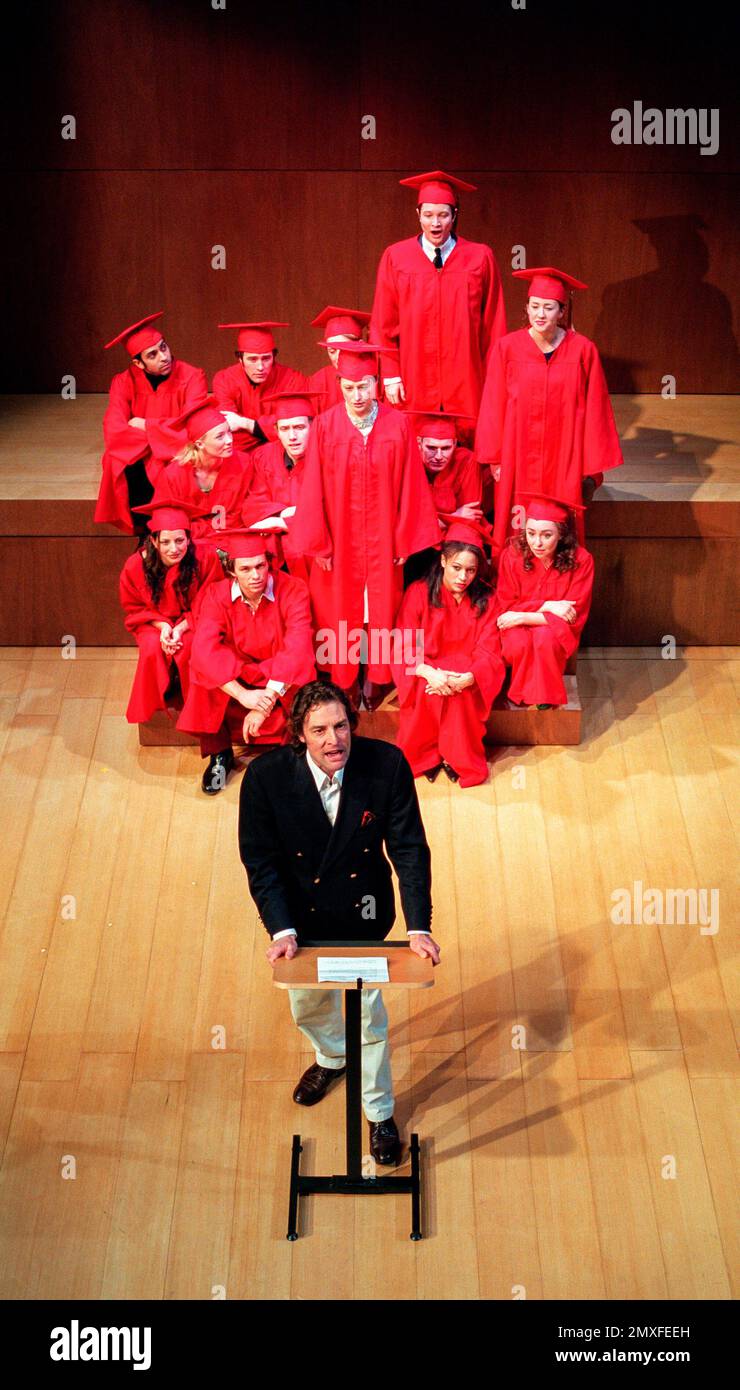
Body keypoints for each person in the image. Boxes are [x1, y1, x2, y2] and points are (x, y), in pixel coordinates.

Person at [238, 679, 440, 1165]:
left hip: (362, 912)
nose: (335, 740)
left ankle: (378, 1110)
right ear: (299, 735)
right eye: (320, 730)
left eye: (342, 726)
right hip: (300, 920)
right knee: (306, 1007)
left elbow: (409, 849)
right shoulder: (265, 779)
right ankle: (332, 1057)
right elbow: (260, 860)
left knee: (368, 1018)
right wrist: (281, 929)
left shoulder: (387, 765)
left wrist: (418, 925)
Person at [290, 343, 440, 702]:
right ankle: (346, 679)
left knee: (381, 607)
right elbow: (313, 489)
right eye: (348, 387)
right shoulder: (326, 426)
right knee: (343, 606)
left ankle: (377, 675)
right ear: (339, 384)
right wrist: (320, 543)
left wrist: (404, 541)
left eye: (364, 386)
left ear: (376, 382)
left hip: (385, 538)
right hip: (341, 540)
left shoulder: (398, 424)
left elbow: (411, 486)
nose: (356, 395)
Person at [475, 267, 623, 553]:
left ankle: (561, 589)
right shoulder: (507, 348)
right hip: (517, 453)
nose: (540, 314)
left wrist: (588, 462)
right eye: (535, 306)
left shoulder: (582, 350)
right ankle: (513, 589)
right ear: (526, 308)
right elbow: (493, 402)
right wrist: (496, 458)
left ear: (561, 311)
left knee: (561, 527)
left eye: (548, 307)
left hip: (564, 455)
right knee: (516, 526)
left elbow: (596, 407)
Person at [178, 529, 315, 794]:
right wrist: (242, 695)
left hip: (277, 672)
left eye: (261, 566)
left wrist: (264, 704)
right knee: (200, 672)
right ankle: (220, 754)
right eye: (246, 569)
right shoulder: (216, 595)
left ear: (269, 563)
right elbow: (205, 649)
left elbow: (297, 647)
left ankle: (292, 752)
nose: (255, 576)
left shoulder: (293, 589)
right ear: (232, 571)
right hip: (238, 670)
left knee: (304, 671)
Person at [370, 169, 506, 416]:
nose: (435, 223)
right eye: (428, 215)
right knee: (415, 443)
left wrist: (493, 377)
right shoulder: (396, 257)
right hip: (413, 378)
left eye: (443, 215)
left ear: (455, 215)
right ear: (418, 215)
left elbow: (493, 324)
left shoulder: (479, 257)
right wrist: (390, 374)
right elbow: (383, 322)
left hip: (467, 378)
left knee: (468, 445)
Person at [392, 518, 505, 786]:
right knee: (424, 691)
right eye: (456, 567)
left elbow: (490, 650)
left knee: (462, 698)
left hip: (466, 673)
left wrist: (468, 678)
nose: (462, 577)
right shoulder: (419, 593)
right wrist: (429, 673)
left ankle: (459, 759)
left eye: (470, 570)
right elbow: (404, 642)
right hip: (427, 670)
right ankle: (423, 757)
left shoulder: (488, 599)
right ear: (443, 560)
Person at [94, 312, 208, 535]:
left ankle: (166, 530)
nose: (163, 357)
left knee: (177, 459)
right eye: (152, 354)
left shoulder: (193, 376)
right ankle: (146, 531)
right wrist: (160, 438)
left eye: (164, 347)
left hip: (179, 451)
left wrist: (146, 425)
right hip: (148, 450)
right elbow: (114, 429)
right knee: (116, 459)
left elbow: (193, 429)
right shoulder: (123, 382)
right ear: (138, 362)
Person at [119, 498, 222, 724]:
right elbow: (134, 607)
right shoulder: (135, 566)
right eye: (165, 542)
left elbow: (211, 603)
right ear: (153, 541)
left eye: (179, 540)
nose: (173, 549)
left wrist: (182, 626)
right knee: (151, 647)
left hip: (196, 620)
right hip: (152, 622)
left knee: (190, 647)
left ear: (188, 538)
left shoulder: (205, 558)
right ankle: (157, 702)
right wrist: (163, 626)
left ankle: (194, 707)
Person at [494, 495, 594, 708]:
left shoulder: (581, 560)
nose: (537, 543)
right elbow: (505, 605)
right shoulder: (512, 555)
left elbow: (573, 612)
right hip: (521, 624)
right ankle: (525, 691)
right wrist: (548, 606)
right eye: (531, 533)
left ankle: (542, 696)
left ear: (561, 535)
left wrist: (523, 615)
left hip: (553, 629)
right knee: (518, 644)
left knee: (545, 639)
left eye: (547, 535)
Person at [243, 389, 324, 583]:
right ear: (276, 430)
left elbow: (332, 508)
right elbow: (253, 506)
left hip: (316, 549)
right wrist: (288, 514)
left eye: (299, 427)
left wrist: (281, 521)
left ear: (312, 427)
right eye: (285, 429)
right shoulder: (263, 457)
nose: (292, 436)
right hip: (276, 551)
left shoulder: (328, 457)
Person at [159, 396, 257, 543]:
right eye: (220, 436)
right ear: (199, 444)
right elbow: (169, 521)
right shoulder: (174, 475)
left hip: (235, 542)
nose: (230, 440)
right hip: (191, 545)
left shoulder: (244, 464)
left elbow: (250, 509)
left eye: (229, 432)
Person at [404, 409, 484, 584]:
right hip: (414, 548)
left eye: (446, 448)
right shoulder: (408, 462)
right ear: (419, 443)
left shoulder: (467, 462)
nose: (439, 456)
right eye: (431, 448)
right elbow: (406, 522)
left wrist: (431, 521)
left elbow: (470, 519)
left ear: (455, 444)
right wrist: (452, 517)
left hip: (450, 546)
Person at [212, 322, 308, 453]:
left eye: (266, 358)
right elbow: (229, 432)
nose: (260, 367)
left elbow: (295, 431)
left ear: (274, 356)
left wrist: (246, 424)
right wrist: (269, 432)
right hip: (238, 455)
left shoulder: (293, 380)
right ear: (240, 359)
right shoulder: (224, 379)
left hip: (282, 455)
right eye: (252, 359)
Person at [308, 305, 372, 410]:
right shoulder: (319, 380)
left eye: (344, 349)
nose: (338, 357)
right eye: (332, 351)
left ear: (361, 344)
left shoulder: (373, 375)